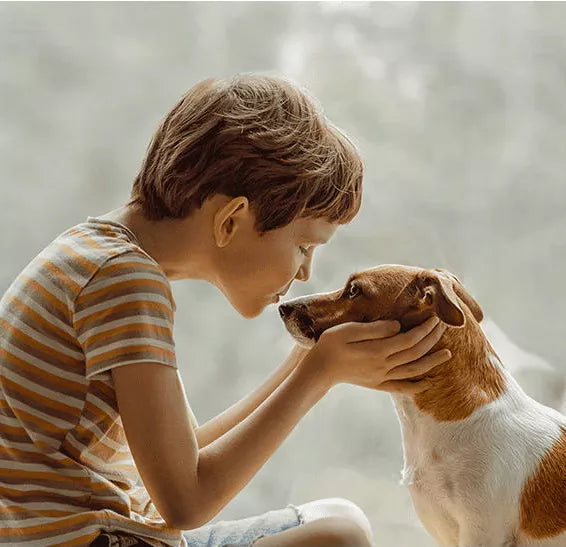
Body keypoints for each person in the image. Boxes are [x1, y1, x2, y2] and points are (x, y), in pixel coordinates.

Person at [0, 73, 451, 547]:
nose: (304, 273)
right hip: (93, 539)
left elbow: (186, 456)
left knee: (339, 519)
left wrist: (306, 363)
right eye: (303, 246)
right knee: (340, 536)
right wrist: (314, 376)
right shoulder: (126, 284)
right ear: (231, 219)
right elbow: (186, 502)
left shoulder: (93, 254)